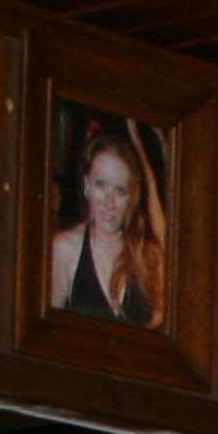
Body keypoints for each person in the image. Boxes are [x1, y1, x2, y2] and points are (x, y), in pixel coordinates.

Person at [49, 122, 165, 329]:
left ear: (131, 197)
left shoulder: (146, 254)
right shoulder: (65, 248)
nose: (109, 203)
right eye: (101, 185)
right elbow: (47, 333)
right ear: (86, 185)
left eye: (120, 191)